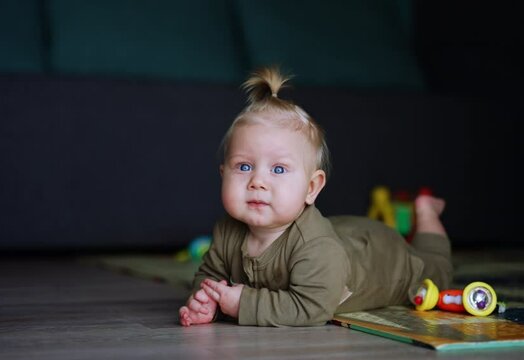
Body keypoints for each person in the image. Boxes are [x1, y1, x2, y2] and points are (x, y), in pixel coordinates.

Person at [178, 67, 452, 327]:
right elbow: (210, 276)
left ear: (312, 188)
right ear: (223, 173)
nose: (257, 182)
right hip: (345, 232)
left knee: (437, 270)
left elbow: (312, 307)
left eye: (278, 169)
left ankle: (426, 211)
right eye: (244, 166)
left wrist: (243, 303)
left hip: (385, 260)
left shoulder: (316, 247)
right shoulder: (227, 230)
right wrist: (206, 300)